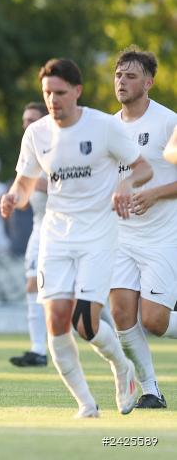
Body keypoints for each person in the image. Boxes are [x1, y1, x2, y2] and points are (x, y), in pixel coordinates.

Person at [0, 58, 152, 418]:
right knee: (55, 321)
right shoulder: (36, 134)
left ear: (77, 91)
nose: (53, 100)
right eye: (47, 93)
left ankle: (123, 369)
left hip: (98, 235)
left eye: (60, 92)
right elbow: (24, 183)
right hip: (55, 235)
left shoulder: (102, 126)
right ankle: (86, 404)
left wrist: (125, 184)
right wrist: (13, 197)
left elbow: (142, 168)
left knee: (85, 323)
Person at [109, 47, 177, 409]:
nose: (122, 81)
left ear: (148, 83)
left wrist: (154, 194)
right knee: (121, 314)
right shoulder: (107, 127)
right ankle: (150, 390)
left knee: (154, 321)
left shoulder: (169, 123)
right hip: (121, 237)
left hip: (163, 238)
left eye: (131, 76)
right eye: (119, 75)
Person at [9, 102, 49, 368]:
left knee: (78, 301)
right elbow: (24, 197)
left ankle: (114, 333)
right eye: (24, 120)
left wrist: (32, 183)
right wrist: (13, 198)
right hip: (39, 228)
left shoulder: (60, 145)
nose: (26, 125)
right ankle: (38, 350)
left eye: (31, 120)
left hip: (67, 229)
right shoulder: (28, 151)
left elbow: (71, 185)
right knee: (32, 285)